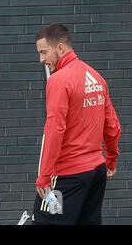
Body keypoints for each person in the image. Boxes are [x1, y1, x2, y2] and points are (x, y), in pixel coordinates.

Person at [33, 23, 121, 225]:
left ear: (61, 48)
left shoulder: (58, 80)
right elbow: (112, 125)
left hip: (65, 176)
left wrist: (44, 177)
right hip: (96, 172)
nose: (42, 59)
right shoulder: (97, 77)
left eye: (44, 52)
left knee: (46, 222)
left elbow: (54, 131)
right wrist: (111, 159)